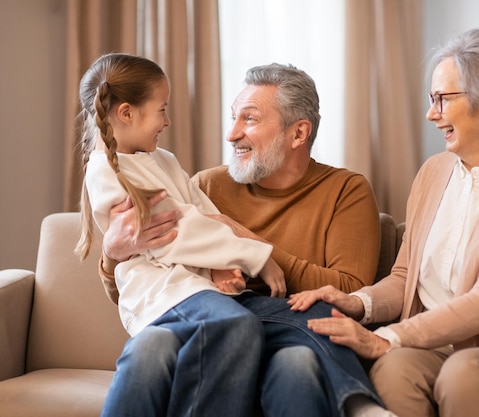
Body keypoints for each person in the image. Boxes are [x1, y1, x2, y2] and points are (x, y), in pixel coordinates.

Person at [288, 28, 479, 417]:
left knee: (463, 373)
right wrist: (357, 303)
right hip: (437, 346)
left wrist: (388, 336)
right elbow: (405, 278)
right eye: (431, 99)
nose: (432, 113)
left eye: (443, 99)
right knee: (394, 369)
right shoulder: (433, 172)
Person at [98, 62, 390, 417]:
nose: (232, 134)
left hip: (278, 327)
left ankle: (360, 406)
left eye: (248, 119)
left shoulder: (346, 190)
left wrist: (249, 242)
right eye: (233, 118)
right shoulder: (208, 184)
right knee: (152, 345)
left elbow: (348, 293)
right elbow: (145, 285)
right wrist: (112, 254)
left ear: (298, 133)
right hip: (213, 320)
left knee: (298, 359)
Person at [75, 53, 290, 417]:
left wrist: (218, 266)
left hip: (189, 288)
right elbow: (178, 230)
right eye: (161, 110)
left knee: (264, 323)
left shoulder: (164, 160)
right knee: (236, 325)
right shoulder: (104, 173)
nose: (168, 121)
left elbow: (206, 214)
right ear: (127, 113)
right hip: (157, 293)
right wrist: (257, 256)